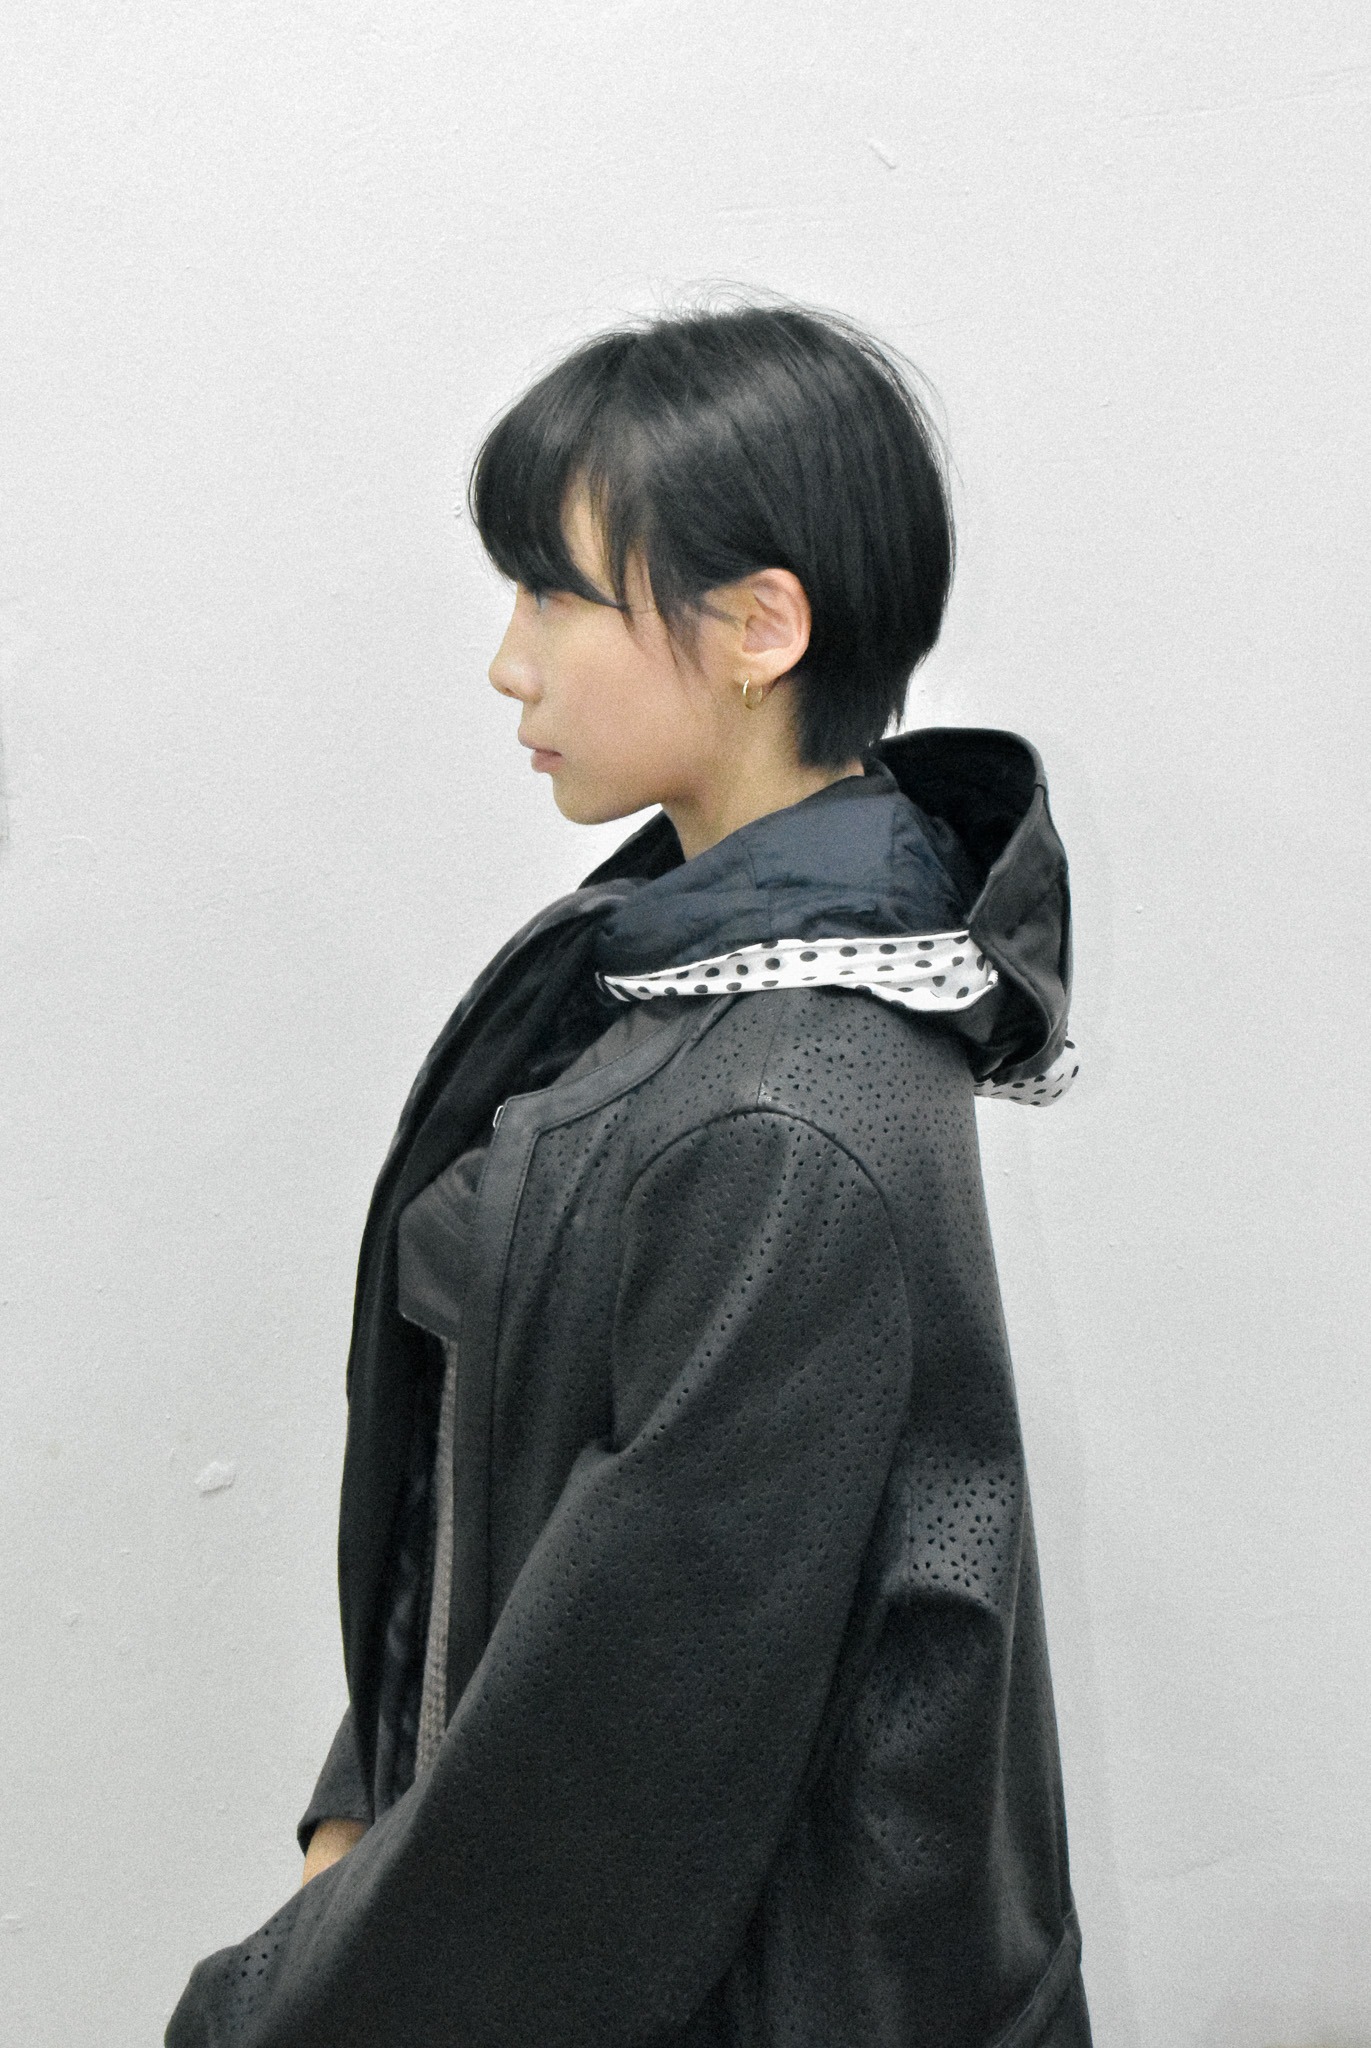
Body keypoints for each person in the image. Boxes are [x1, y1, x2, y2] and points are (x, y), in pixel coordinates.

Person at [165, 299, 1090, 2047]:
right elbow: (523, 1480)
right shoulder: (682, 969)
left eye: (552, 594)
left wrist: (263, 2009)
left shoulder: (783, 1120)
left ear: (759, 629)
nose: (507, 663)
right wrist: (364, 1794)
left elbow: (607, 1779)